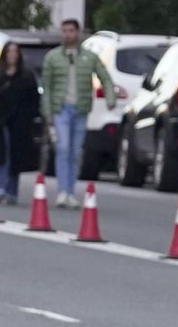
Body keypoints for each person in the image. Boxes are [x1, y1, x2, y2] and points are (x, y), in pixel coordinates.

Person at [40, 19, 119, 208]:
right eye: (65, 31)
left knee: (75, 152)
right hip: (61, 109)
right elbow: (47, 86)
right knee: (63, 147)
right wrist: (47, 111)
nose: (68, 34)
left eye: (71, 31)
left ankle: (70, 191)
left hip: (81, 109)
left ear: (78, 33)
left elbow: (105, 78)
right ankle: (62, 191)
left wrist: (110, 98)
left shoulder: (90, 57)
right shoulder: (52, 57)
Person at [0, 41, 40, 206]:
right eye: (9, 52)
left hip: (19, 123)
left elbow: (33, 99)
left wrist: (31, 118)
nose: (12, 55)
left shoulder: (26, 76)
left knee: (15, 156)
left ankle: (11, 191)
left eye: (15, 52)